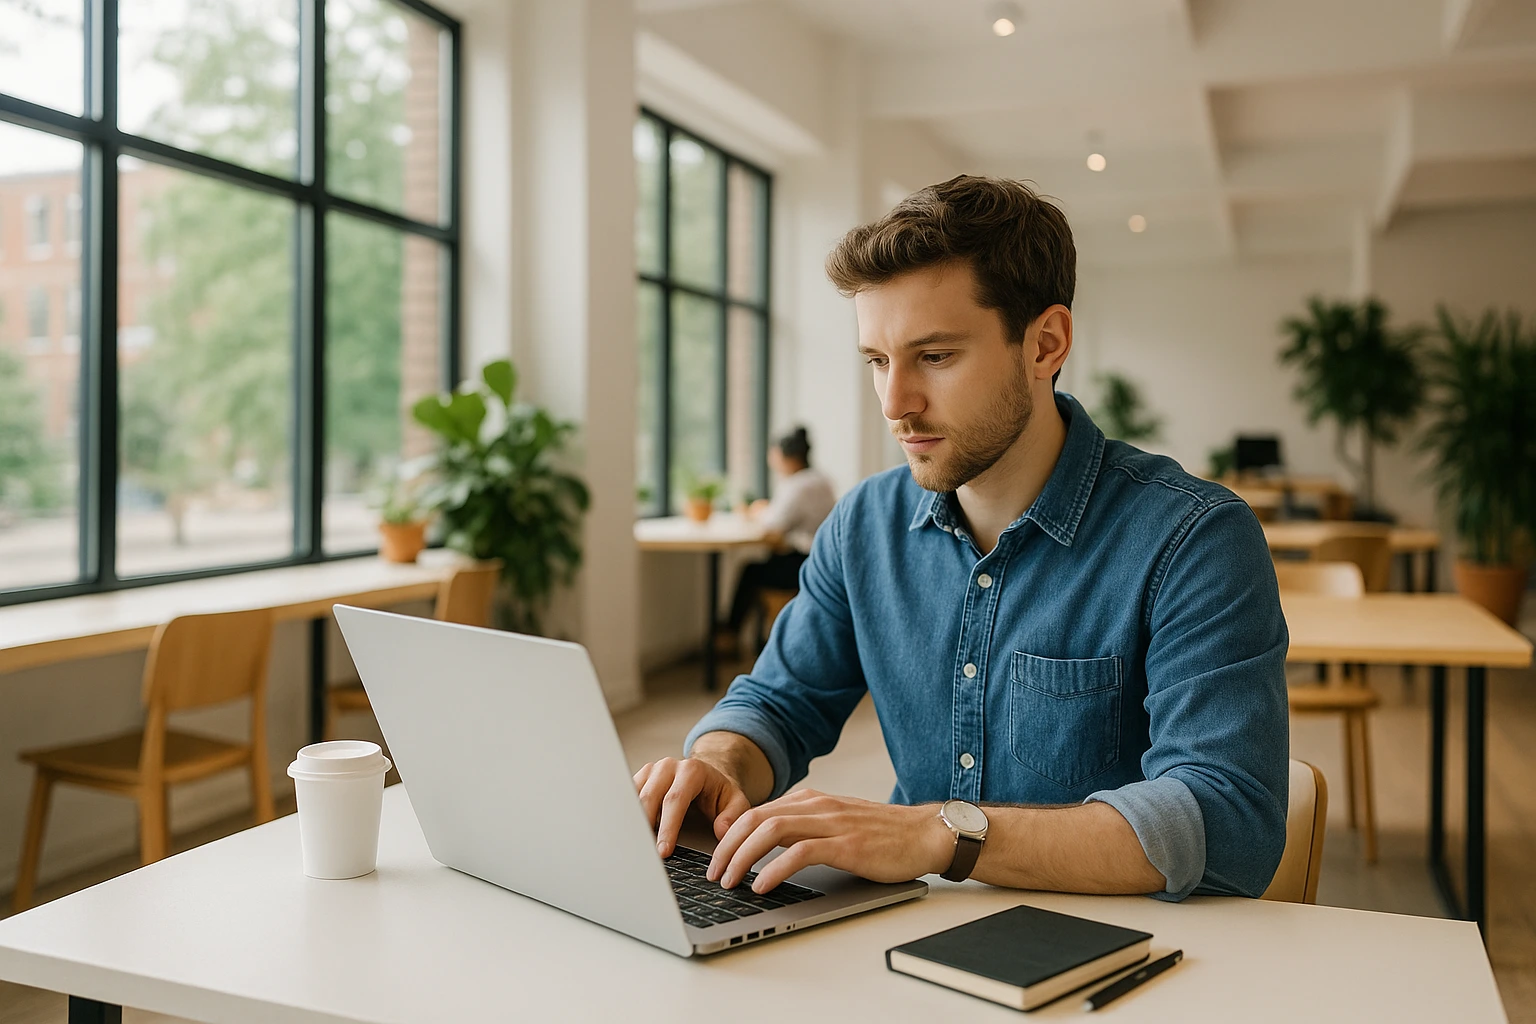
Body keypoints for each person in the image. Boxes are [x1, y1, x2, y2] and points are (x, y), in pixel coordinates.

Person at [634, 175, 1288, 902]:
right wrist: (719, 765)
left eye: (936, 356)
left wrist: (940, 834)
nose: (895, 402)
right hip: (911, 928)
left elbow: (1230, 822)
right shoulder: (863, 526)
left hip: (1123, 940)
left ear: (1044, 344)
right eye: (877, 360)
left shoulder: (1193, 539)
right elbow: (779, 703)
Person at [718, 427, 836, 653]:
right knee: (762, 565)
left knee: (751, 571)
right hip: (821, 561)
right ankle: (747, 638)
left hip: (802, 563)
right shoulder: (821, 480)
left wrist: (756, 511)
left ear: (787, 457)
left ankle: (729, 635)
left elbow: (774, 526)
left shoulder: (798, 485)